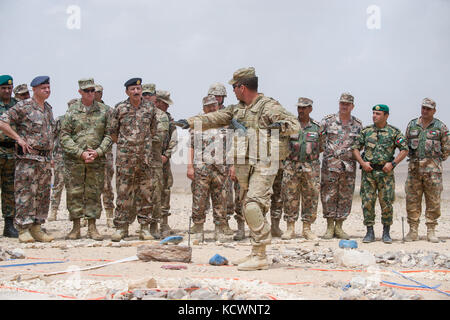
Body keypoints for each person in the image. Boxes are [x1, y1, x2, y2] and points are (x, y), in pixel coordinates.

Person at [175, 67, 300, 270]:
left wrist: (278, 126)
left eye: (234, 87)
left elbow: (294, 124)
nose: (232, 90)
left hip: (265, 163)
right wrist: (190, 122)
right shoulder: (238, 108)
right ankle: (255, 252)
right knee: (246, 207)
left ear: (242, 87)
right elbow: (214, 118)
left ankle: (260, 255)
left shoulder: (268, 106)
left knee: (252, 204)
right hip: (245, 163)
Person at [0, 76, 55, 243]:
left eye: (48, 87)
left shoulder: (48, 108)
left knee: (43, 194)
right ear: (35, 90)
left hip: (44, 159)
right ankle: (23, 229)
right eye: (43, 88)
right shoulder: (23, 106)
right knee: (25, 194)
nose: (47, 90)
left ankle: (37, 227)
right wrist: (18, 138)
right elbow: (3, 122)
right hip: (28, 158)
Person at [60, 78, 112, 240]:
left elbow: (110, 135)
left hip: (96, 160)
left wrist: (98, 151)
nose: (91, 93)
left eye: (93, 90)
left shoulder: (105, 111)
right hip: (75, 160)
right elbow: (64, 136)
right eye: (87, 91)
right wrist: (79, 153)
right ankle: (76, 227)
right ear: (80, 92)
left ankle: (92, 227)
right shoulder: (72, 111)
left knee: (94, 192)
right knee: (74, 192)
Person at [109, 78, 158, 241]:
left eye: (138, 88)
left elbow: (153, 130)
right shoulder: (120, 108)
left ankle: (144, 228)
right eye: (132, 89)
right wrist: (127, 146)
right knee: (124, 193)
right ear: (127, 92)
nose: (136, 91)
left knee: (146, 193)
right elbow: (113, 132)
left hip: (144, 159)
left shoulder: (150, 108)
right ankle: (121, 227)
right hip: (125, 159)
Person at [352, 104, 408, 243]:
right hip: (369, 173)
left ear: (386, 115)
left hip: (385, 173)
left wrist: (393, 164)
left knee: (387, 202)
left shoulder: (393, 132)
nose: (374, 116)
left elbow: (404, 149)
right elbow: (355, 149)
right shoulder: (366, 131)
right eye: (373, 113)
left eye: (378, 113)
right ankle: (369, 232)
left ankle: (386, 233)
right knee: (367, 202)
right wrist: (362, 163)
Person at [404, 98, 450, 243]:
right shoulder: (412, 125)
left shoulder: (440, 127)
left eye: (428, 109)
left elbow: (446, 148)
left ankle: (431, 230)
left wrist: (434, 162)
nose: (425, 111)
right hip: (414, 170)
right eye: (423, 108)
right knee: (412, 200)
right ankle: (413, 231)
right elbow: (405, 145)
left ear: (434, 111)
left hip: (433, 172)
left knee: (433, 201)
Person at [319, 93, 363, 239]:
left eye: (347, 104)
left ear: (352, 106)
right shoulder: (327, 121)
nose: (344, 106)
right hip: (330, 166)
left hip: (348, 167)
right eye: (342, 103)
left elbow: (359, 145)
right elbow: (319, 140)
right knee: (328, 195)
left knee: (345, 196)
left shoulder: (357, 124)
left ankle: (339, 227)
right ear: (339, 104)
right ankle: (330, 227)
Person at [187, 95, 230, 242]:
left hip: (221, 168)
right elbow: (191, 146)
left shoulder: (225, 124)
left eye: (214, 105)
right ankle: (198, 230)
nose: (212, 108)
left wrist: (233, 166)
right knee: (199, 199)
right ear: (204, 108)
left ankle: (219, 230)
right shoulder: (198, 124)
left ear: (218, 106)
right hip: (202, 168)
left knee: (221, 199)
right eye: (209, 106)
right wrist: (189, 166)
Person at [281, 97, 322, 240]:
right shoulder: (290, 125)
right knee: (289, 196)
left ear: (310, 109)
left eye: (304, 108)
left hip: (311, 166)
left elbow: (321, 146)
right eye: (299, 107)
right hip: (291, 165)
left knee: (311, 196)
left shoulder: (317, 127)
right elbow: (282, 144)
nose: (301, 110)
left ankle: (307, 229)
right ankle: (290, 228)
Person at [206, 82, 236, 236]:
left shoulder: (229, 117)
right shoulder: (203, 114)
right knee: (202, 196)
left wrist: (232, 164)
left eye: (220, 96)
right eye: (215, 96)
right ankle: (200, 225)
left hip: (224, 162)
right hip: (205, 163)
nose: (217, 99)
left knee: (225, 196)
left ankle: (224, 223)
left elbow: (234, 141)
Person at [143, 85, 169, 238]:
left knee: (155, 195)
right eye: (144, 94)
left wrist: (139, 139)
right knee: (136, 195)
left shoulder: (161, 116)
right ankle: (140, 227)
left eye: (149, 95)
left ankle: (153, 226)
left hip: (154, 161)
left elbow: (160, 137)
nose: (146, 97)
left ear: (155, 97)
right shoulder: (135, 112)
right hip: (136, 161)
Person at [154, 90, 178, 237]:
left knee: (165, 190)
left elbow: (174, 139)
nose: (167, 107)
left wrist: (166, 155)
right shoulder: (149, 116)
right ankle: (150, 224)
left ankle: (163, 223)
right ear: (157, 102)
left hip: (163, 162)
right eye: (164, 104)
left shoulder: (168, 119)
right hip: (148, 162)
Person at [94, 84, 115, 228]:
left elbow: (113, 132)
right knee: (89, 185)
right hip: (88, 153)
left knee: (106, 185)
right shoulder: (83, 110)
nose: (94, 94)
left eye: (97, 92)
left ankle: (109, 215)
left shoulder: (108, 111)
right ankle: (88, 216)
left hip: (105, 153)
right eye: (91, 92)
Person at [0, 75, 18, 238]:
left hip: (11, 153)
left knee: (9, 190)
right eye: (3, 88)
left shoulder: (16, 106)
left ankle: (9, 225)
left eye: (9, 88)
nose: (7, 91)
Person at [48, 114, 65, 222]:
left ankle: (78, 215)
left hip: (76, 157)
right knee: (58, 184)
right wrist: (50, 157)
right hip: (60, 156)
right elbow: (51, 138)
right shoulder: (60, 120)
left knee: (77, 187)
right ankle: (53, 211)